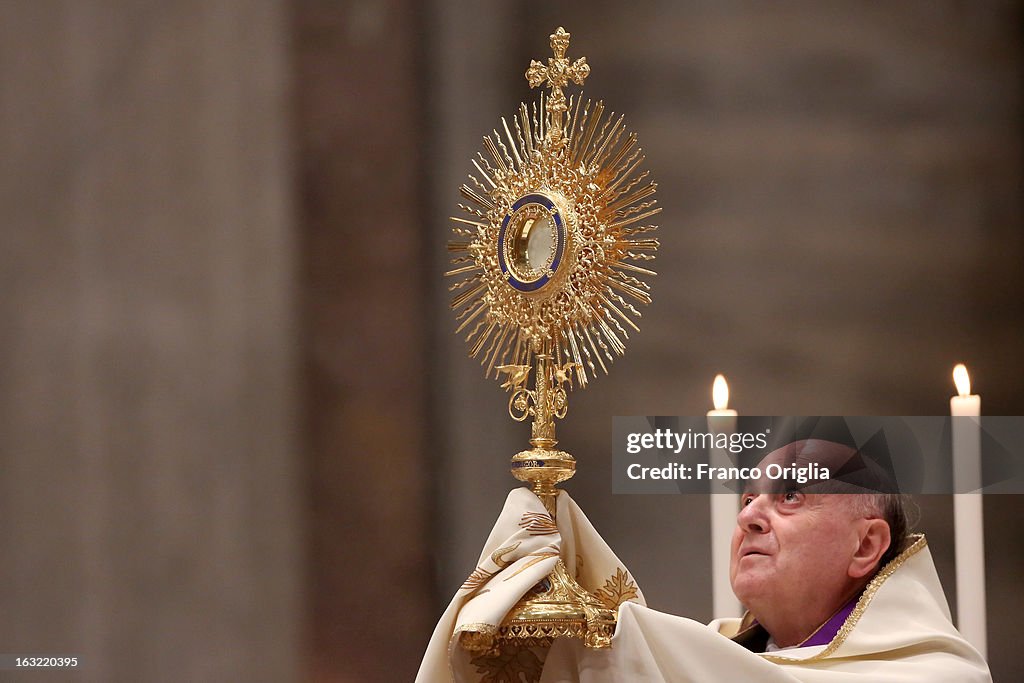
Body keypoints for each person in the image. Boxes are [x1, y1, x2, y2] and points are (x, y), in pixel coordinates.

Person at [418, 435, 992, 682]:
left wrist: (611, 635)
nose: (749, 517)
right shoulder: (704, 653)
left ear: (865, 546)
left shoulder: (937, 673)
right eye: (747, 500)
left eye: (791, 496)